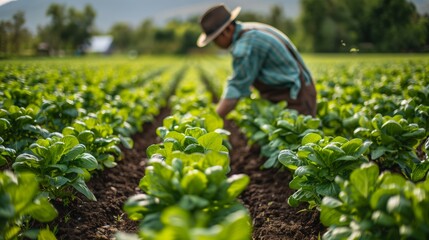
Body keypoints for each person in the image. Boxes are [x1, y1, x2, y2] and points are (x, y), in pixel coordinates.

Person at [196, 4, 317, 118]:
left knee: (300, 136)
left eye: (215, 40)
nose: (215, 44)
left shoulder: (245, 46)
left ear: (227, 30)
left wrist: (212, 120)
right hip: (294, 91)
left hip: (295, 98)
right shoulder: (249, 29)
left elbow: (236, 88)